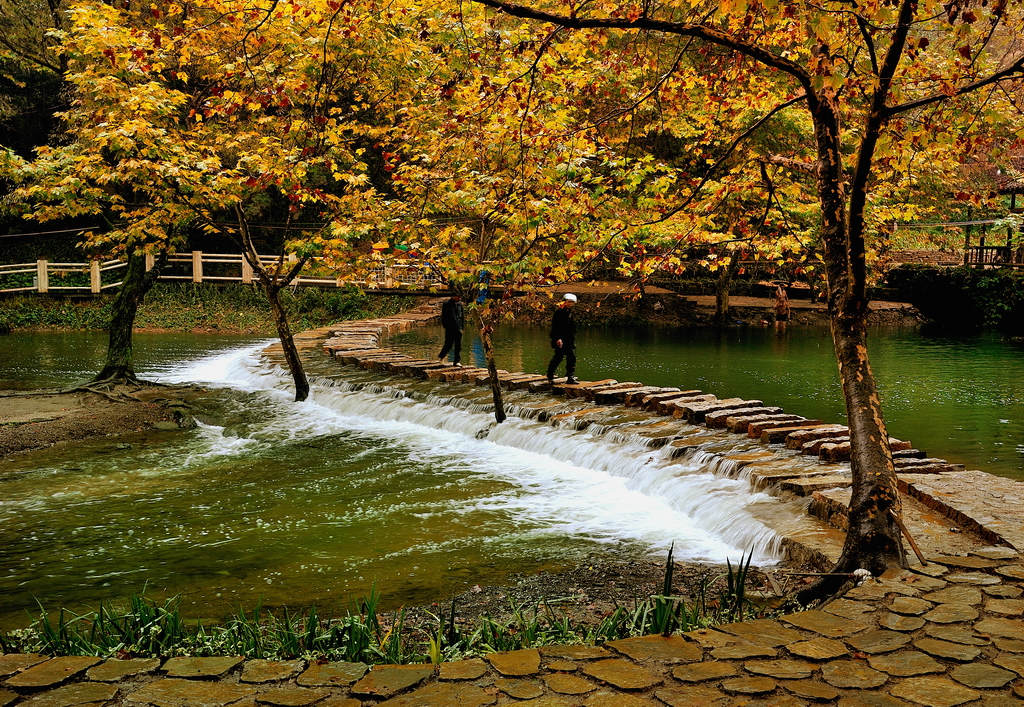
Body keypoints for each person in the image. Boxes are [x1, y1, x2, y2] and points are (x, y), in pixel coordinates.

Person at [547, 293, 578, 384]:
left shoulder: (570, 311)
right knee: (558, 357)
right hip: (560, 339)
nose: (570, 304)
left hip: (569, 339)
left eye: (572, 302)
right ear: (565, 302)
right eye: (569, 302)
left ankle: (570, 377)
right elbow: (555, 327)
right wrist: (558, 338)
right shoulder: (559, 312)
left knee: (571, 357)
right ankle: (550, 375)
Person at [438, 294, 464, 365]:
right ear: (453, 296)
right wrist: (445, 326)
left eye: (460, 297)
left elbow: (462, 317)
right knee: (448, 344)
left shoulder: (460, 304)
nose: (459, 298)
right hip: (450, 328)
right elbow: (444, 317)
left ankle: (457, 361)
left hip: (458, 328)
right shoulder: (447, 304)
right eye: (458, 296)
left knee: (458, 345)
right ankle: (441, 357)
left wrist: (462, 327)